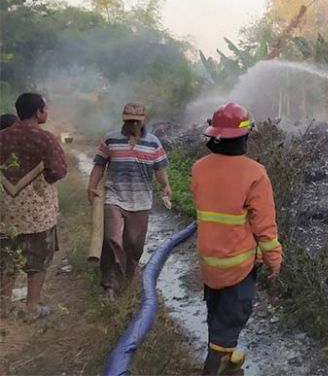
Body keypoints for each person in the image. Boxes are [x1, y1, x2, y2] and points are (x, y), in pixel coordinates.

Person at [191, 102, 282, 375]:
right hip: (239, 268)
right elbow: (264, 227)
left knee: (217, 319)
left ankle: (228, 363)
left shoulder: (199, 168)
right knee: (228, 327)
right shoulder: (254, 173)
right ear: (245, 136)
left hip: (210, 265)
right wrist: (273, 258)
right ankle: (216, 366)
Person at [87, 102, 171, 299]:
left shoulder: (153, 142)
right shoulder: (111, 139)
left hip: (141, 200)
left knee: (134, 244)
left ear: (143, 121)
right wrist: (91, 186)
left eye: (136, 121)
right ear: (123, 120)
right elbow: (99, 165)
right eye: (129, 121)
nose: (132, 124)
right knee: (112, 238)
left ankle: (127, 277)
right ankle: (109, 284)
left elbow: (160, 169)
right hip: (114, 196)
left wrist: (165, 186)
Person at [0, 93, 67, 320]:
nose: (46, 113)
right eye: (45, 109)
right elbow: (58, 171)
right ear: (38, 111)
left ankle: (3, 307)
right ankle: (32, 309)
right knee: (37, 263)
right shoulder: (45, 139)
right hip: (38, 214)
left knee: (6, 262)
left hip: (5, 215)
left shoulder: (2, 137)